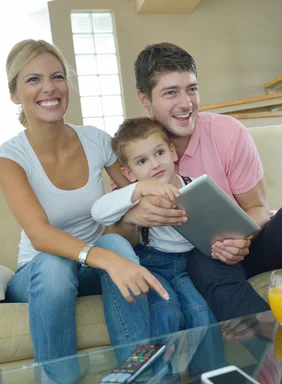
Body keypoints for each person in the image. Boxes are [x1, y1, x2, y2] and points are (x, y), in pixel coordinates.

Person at [0, 39, 168, 384]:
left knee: (116, 241)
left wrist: (152, 207)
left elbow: (133, 194)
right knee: (56, 264)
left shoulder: (96, 141)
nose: (49, 88)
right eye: (33, 80)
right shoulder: (9, 156)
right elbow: (40, 235)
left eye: (57, 77)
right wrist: (108, 259)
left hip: (90, 267)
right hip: (39, 274)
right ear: (14, 93)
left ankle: (139, 383)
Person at [120, 42, 282, 323]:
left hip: (249, 243)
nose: (186, 103)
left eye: (191, 89)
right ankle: (274, 352)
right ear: (145, 99)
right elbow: (118, 232)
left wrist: (242, 237)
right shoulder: (134, 150)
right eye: (170, 93)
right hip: (204, 261)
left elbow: (256, 207)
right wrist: (134, 215)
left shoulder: (228, 133)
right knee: (204, 263)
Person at [91, 117, 216, 337]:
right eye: (142, 161)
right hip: (153, 265)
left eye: (159, 153)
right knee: (166, 312)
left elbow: (219, 215)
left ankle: (208, 371)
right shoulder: (135, 194)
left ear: (172, 152)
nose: (155, 164)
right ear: (129, 174)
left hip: (188, 264)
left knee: (201, 313)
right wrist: (139, 189)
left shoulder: (196, 184)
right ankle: (164, 372)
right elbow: (98, 212)